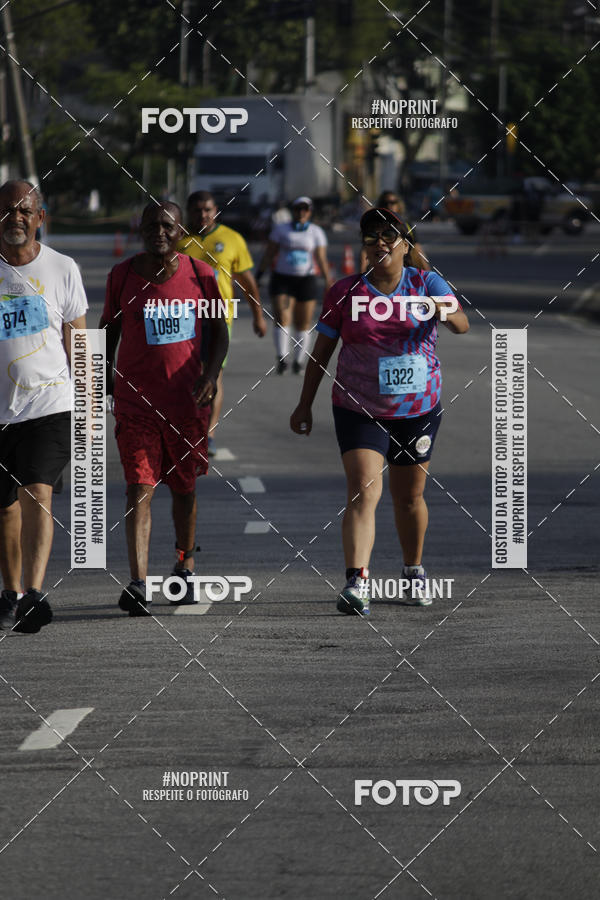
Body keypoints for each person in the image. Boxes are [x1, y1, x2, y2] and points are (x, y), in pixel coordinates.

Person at [290, 207, 469, 616]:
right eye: (371, 237)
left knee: (408, 498)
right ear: (364, 247)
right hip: (359, 405)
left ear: (406, 244)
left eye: (390, 235)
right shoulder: (345, 292)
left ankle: (412, 570)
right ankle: (356, 581)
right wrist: (304, 402)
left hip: (417, 408)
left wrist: (441, 309)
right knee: (362, 490)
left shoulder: (426, 282)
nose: (381, 243)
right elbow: (321, 352)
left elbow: (462, 324)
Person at [100, 201, 229, 616]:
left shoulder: (201, 275)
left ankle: (184, 565)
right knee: (140, 486)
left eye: (167, 225)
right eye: (151, 224)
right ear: (140, 229)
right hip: (135, 404)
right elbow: (107, 334)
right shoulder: (121, 276)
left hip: (186, 405)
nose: (159, 231)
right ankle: (138, 583)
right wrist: (102, 384)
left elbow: (219, 331)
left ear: (179, 231)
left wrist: (210, 376)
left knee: (184, 488)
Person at [0, 180, 88, 633]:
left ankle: (33, 595)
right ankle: (10, 592)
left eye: (24, 210)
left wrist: (90, 407)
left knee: (37, 493)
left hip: (48, 404)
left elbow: (78, 339)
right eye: (7, 210)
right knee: (5, 508)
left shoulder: (62, 268)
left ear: (40, 217)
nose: (15, 218)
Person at [177, 191, 266, 456]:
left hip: (218, 316)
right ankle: (186, 427)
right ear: (189, 211)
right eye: (197, 211)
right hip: (184, 318)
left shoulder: (232, 239)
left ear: (216, 210)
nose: (203, 215)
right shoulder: (179, 240)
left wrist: (258, 315)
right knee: (185, 376)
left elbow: (247, 281)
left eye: (207, 210)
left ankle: (209, 433)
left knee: (213, 374)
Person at [256, 196, 333, 374]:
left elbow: (321, 258)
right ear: (293, 210)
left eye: (305, 209)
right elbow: (269, 254)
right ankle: (282, 357)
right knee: (282, 317)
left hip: (306, 280)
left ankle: (299, 360)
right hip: (282, 279)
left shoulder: (316, 232)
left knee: (303, 322)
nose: (301, 212)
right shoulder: (281, 230)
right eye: (298, 209)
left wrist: (329, 281)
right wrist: (259, 275)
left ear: (310, 212)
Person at [360, 191, 430, 271]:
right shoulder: (373, 224)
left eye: (390, 236)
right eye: (385, 203)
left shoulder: (406, 225)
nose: (380, 242)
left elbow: (416, 248)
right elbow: (364, 251)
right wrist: (361, 276)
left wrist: (427, 273)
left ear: (405, 246)